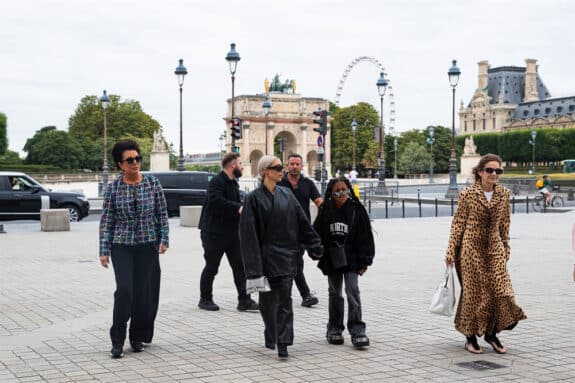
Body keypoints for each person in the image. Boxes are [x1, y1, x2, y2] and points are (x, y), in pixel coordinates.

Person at [239, 155, 323, 359]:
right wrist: (253, 269)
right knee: (267, 303)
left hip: (287, 256)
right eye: (276, 167)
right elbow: (248, 236)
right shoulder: (253, 199)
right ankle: (271, 333)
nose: (281, 170)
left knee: (285, 300)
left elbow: (302, 221)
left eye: (280, 167)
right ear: (265, 171)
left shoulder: (287, 194)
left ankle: (283, 341)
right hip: (265, 259)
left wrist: (314, 242)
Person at [445, 153, 526, 355]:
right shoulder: (468, 194)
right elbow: (458, 224)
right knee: (473, 294)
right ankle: (470, 336)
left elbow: (505, 223)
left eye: (498, 171)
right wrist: (450, 250)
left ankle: (491, 333)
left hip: (495, 249)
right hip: (471, 250)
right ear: (480, 172)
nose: (494, 174)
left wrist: (506, 248)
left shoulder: (504, 194)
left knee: (501, 292)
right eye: (489, 170)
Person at [99, 139, 169, 359]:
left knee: (143, 293)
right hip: (122, 246)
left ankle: (137, 336)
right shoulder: (113, 188)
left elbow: (162, 214)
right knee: (125, 291)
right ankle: (117, 340)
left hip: (147, 244)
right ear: (120, 164)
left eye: (137, 158)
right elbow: (107, 219)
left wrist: (164, 239)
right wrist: (104, 249)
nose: (135, 163)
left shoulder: (152, 183)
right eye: (130, 160)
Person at [313, 177, 375, 348]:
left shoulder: (357, 209)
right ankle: (334, 328)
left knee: (352, 291)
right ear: (331, 193)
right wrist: (315, 250)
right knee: (335, 294)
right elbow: (316, 232)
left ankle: (357, 329)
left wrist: (365, 261)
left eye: (344, 189)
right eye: (337, 191)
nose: (341, 193)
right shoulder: (326, 209)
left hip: (353, 258)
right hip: (332, 258)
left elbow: (366, 237)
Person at [198, 152, 258, 312]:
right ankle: (205, 299)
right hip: (213, 232)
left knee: (240, 266)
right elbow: (216, 201)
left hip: (232, 233)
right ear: (233, 165)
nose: (242, 166)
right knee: (211, 266)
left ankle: (244, 300)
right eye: (240, 163)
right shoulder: (217, 181)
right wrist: (237, 207)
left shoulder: (233, 183)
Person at [278, 153, 323, 307]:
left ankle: (299, 294)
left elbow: (319, 202)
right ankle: (304, 295)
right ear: (287, 165)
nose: (294, 166)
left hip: (302, 231)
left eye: (297, 164)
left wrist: (322, 219)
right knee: (296, 263)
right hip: (283, 230)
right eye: (292, 164)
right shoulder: (279, 183)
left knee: (296, 262)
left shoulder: (308, 183)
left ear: (302, 166)